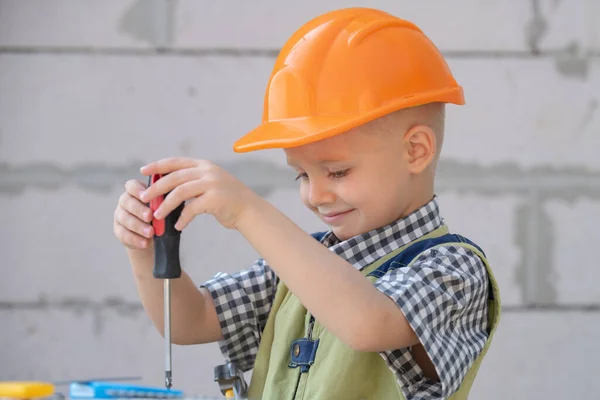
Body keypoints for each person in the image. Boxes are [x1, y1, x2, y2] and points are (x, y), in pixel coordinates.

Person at [113, 7, 501, 400]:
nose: (315, 196)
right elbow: (189, 320)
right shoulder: (296, 268)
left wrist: (248, 211)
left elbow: (366, 321)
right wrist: (142, 247)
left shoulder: (453, 269)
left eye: (337, 173)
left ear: (415, 151)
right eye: (302, 175)